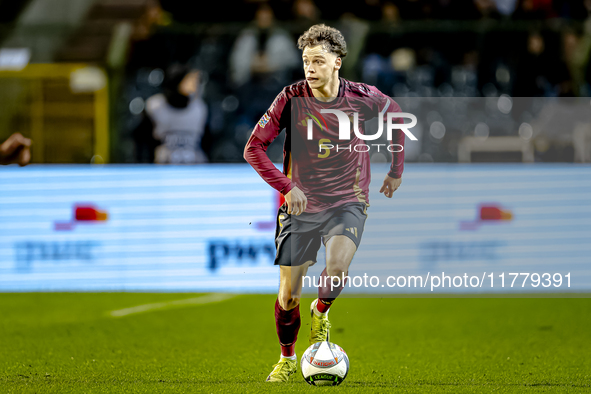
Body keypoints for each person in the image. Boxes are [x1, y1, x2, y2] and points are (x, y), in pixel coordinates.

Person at [243, 24, 405, 382]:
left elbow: (395, 117)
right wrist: (287, 187)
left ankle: (322, 310)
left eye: (318, 60)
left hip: (348, 200)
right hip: (301, 206)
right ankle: (287, 357)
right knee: (288, 296)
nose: (310, 68)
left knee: (336, 267)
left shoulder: (363, 97)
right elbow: (252, 148)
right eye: (305, 61)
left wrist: (396, 169)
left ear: (337, 62)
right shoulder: (290, 98)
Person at [134, 64, 208, 164]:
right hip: (162, 165)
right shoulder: (156, 106)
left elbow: (207, 140)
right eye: (190, 80)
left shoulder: (199, 108)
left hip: (194, 165)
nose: (194, 84)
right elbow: (143, 140)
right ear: (178, 81)